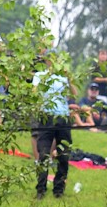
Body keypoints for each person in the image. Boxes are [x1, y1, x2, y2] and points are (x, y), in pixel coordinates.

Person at [30, 54, 74, 199]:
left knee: (64, 154)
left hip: (63, 117)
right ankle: (40, 189)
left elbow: (74, 93)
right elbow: (34, 93)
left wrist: (69, 78)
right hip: (46, 117)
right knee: (43, 154)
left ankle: (59, 190)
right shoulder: (39, 75)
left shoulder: (63, 77)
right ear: (47, 61)